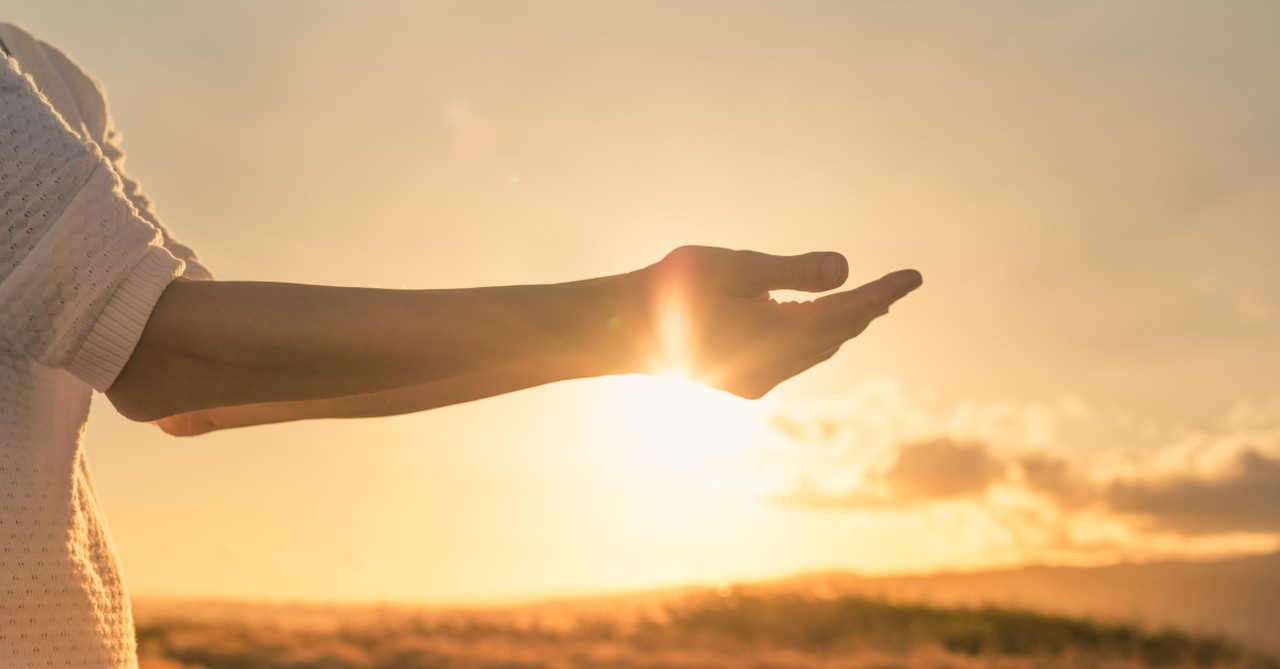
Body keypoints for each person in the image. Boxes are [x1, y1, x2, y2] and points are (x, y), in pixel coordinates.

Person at [0, 22, 922, 668]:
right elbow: (172, 353)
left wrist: (637, 342)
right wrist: (635, 311)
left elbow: (201, 390)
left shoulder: (54, 80)